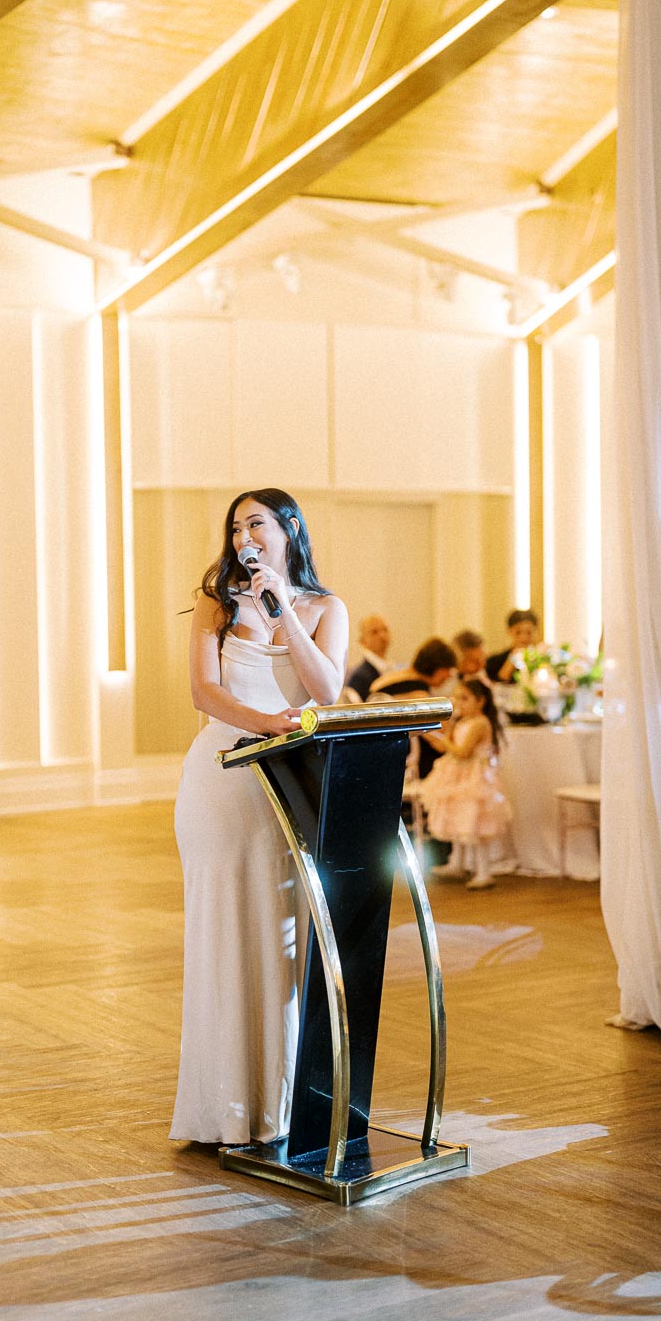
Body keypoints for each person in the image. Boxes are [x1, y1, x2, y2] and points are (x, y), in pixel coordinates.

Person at [170, 488, 348, 1146]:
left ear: (289, 529)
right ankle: (219, 1108)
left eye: (257, 524)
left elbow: (326, 690)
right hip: (220, 780)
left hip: (288, 787)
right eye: (236, 528)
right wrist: (265, 724)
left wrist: (284, 612)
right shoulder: (216, 603)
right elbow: (204, 692)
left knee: (280, 940)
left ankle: (274, 1105)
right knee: (222, 931)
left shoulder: (326, 608)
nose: (244, 537)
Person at [419, 678, 511, 890]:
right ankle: (456, 862)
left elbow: (463, 752)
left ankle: (483, 871)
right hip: (457, 776)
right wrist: (437, 732)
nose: (459, 703)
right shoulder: (462, 721)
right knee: (457, 817)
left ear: (480, 701)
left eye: (465, 698)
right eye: (457, 698)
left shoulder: (480, 723)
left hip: (473, 778)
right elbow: (445, 747)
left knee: (474, 822)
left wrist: (444, 739)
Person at [367, 637, 457, 779]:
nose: (449, 675)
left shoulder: (395, 676)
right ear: (437, 667)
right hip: (396, 752)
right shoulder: (417, 692)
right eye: (447, 669)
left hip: (376, 743)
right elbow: (438, 741)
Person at [345, 614, 392, 701]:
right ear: (362, 641)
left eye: (385, 629)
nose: (382, 635)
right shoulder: (359, 677)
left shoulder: (391, 668)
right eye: (374, 632)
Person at [485, 608, 539, 683]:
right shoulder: (493, 662)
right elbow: (497, 683)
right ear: (509, 631)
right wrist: (513, 659)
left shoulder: (543, 659)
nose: (524, 637)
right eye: (518, 632)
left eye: (529, 632)